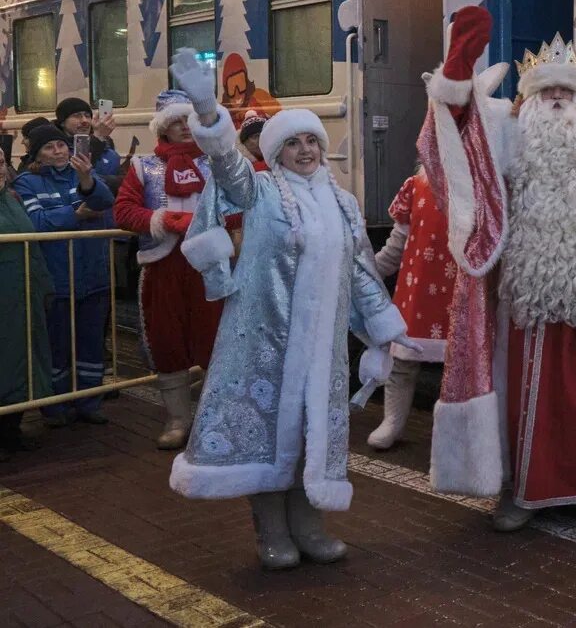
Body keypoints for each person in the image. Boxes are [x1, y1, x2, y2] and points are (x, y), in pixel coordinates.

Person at [166, 48, 419, 569]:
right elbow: (226, 165)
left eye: (313, 142)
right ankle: (271, 530)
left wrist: (385, 331)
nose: (305, 150)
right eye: (293, 143)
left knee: (310, 433)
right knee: (264, 431)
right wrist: (208, 111)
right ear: (276, 151)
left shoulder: (344, 203)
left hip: (323, 346)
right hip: (262, 341)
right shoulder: (259, 192)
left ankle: (309, 524)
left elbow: (360, 272)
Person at [419, 7, 576, 539]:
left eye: (566, 93)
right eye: (545, 93)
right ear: (526, 102)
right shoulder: (508, 144)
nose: (555, 101)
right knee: (522, 394)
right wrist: (458, 70)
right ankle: (522, 490)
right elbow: (459, 153)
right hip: (524, 300)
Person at [113, 91, 225, 450]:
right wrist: (162, 220)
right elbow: (124, 211)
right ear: (163, 127)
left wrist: (210, 223)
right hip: (162, 267)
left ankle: (213, 418)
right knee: (167, 341)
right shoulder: (143, 167)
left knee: (215, 340)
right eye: (175, 122)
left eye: (187, 120)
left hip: (208, 265)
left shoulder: (218, 164)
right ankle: (178, 418)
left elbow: (240, 205)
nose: (183, 128)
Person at [366, 83, 455, 449]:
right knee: (402, 361)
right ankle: (392, 422)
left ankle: (449, 434)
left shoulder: (480, 189)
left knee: (457, 367)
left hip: (457, 294)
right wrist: (366, 273)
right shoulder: (414, 187)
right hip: (416, 292)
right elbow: (397, 246)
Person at [13, 123, 117, 427]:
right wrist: (76, 213)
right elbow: (37, 223)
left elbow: (104, 201)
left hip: (93, 274)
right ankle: (54, 404)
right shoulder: (27, 183)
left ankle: (89, 401)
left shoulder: (83, 174)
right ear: (37, 154)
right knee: (57, 345)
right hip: (57, 278)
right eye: (49, 147)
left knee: (91, 342)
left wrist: (86, 179)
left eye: (61, 145)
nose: (58, 151)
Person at [0, 162, 54, 462]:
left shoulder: (13, 199)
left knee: (21, 362)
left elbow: (33, 247)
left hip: (23, 294)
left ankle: (11, 431)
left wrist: (44, 284)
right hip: (6, 295)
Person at [55, 97, 121, 190]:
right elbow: (73, 179)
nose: (85, 121)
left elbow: (124, 182)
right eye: (77, 116)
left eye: (87, 116)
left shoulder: (107, 149)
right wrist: (98, 137)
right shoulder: (56, 150)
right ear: (62, 122)